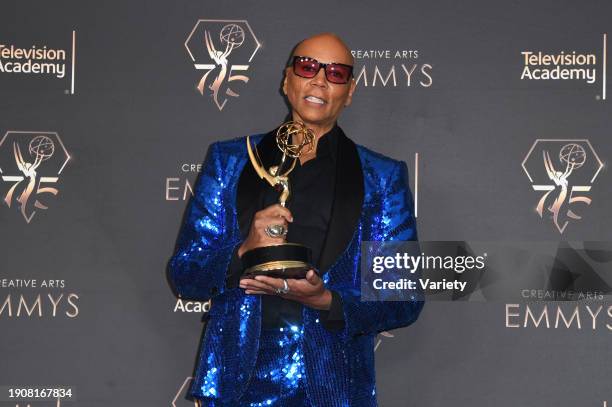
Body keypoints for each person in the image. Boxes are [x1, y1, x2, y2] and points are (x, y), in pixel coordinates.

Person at [169, 32, 423, 407]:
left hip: (333, 384)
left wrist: (327, 300)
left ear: (349, 92)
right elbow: (184, 273)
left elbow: (404, 295)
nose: (319, 80)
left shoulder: (382, 176)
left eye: (336, 73)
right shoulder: (230, 160)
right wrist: (242, 252)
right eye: (308, 67)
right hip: (236, 379)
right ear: (287, 80)